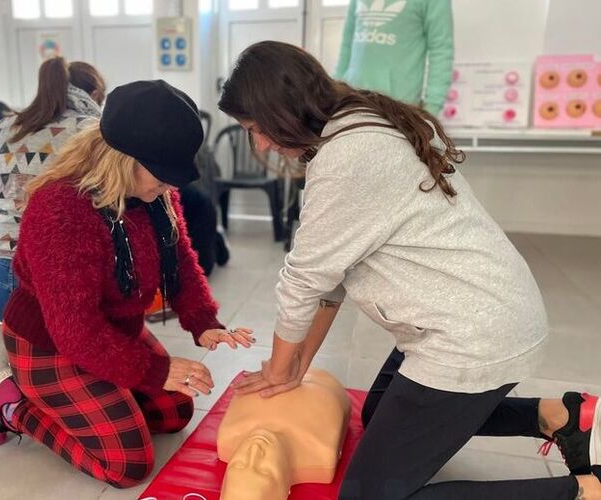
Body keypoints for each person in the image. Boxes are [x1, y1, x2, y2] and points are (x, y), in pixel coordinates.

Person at [219, 41, 601, 499]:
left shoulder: (349, 155)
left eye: (257, 128)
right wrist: (297, 364)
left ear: (285, 108)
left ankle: (583, 492)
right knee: (377, 412)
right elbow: (329, 276)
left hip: (472, 336)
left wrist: (280, 370)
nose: (258, 143)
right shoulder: (360, 121)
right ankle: (557, 416)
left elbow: (304, 279)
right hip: (482, 313)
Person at [0, 80, 255, 489]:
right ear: (122, 159)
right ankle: (15, 408)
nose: (171, 187)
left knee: (174, 413)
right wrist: (154, 369)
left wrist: (203, 321)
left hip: (112, 333)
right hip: (50, 344)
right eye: (162, 175)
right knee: (126, 464)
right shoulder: (62, 208)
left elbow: (180, 262)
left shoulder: (154, 194)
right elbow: (75, 331)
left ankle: (101, 400)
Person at [0, 57, 105, 398]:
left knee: (48, 334)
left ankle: (10, 339)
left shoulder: (0, 128)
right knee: (86, 364)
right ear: (97, 93)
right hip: (52, 277)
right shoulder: (96, 131)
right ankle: (19, 374)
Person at [218, 368, 351, 500]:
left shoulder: (229, 432)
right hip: (323, 382)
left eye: (239, 464)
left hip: (281, 368)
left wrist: (281, 364)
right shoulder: (321, 447)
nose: (255, 449)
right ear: (284, 490)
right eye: (265, 471)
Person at [334, 0, 453, 116]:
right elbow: (347, 46)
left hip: (398, 109)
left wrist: (431, 109)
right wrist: (334, 94)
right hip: (350, 103)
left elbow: (441, 50)